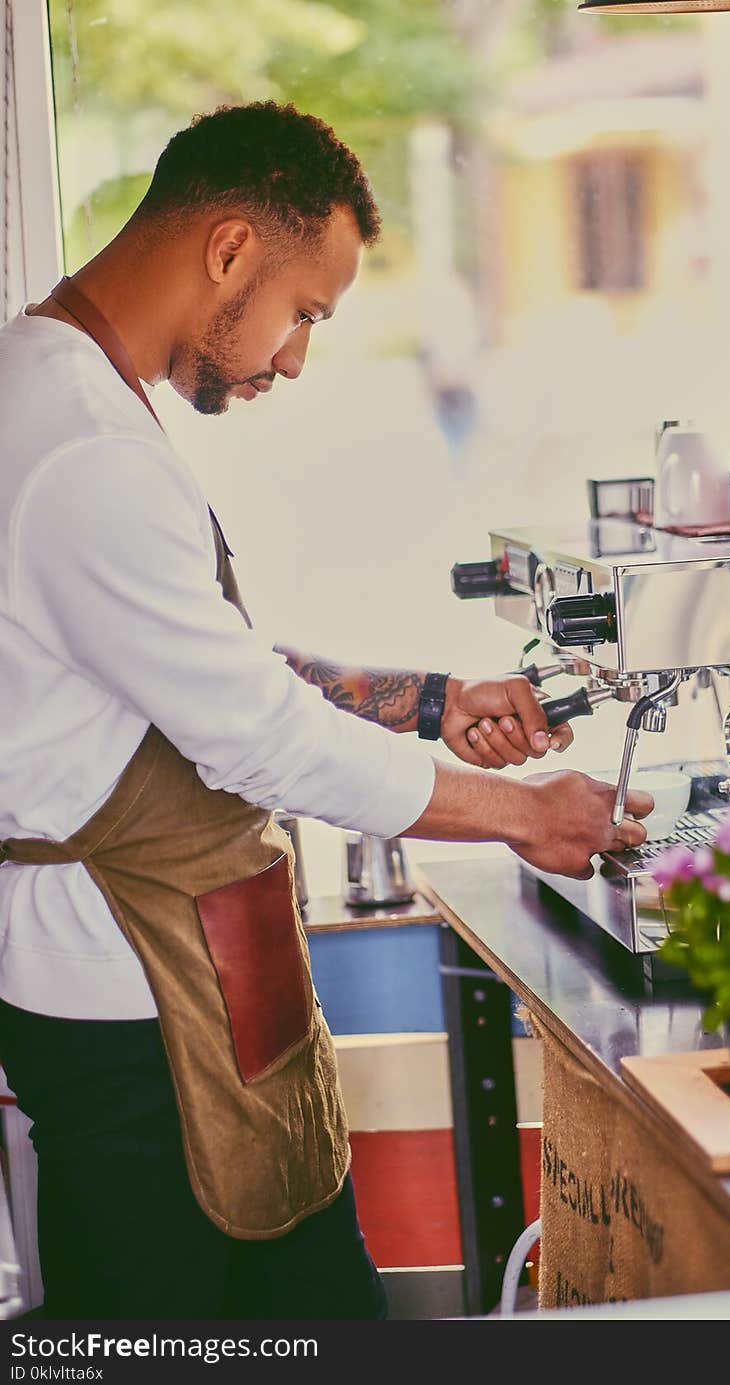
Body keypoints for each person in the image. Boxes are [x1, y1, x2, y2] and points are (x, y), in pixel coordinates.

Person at [0, 100, 652, 1319]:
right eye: (303, 312)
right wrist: (521, 814)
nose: (295, 357)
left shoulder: (61, 387)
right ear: (231, 247)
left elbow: (216, 672)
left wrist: (435, 700)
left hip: (189, 979)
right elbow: (259, 734)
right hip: (137, 1015)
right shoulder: (78, 445)